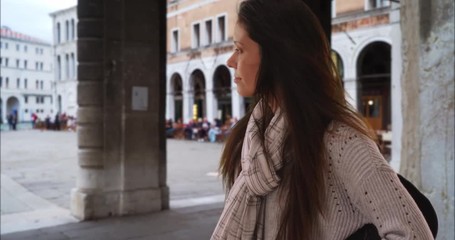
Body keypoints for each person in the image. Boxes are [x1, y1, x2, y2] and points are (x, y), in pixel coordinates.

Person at [211, 0, 434, 239]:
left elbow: (414, 233)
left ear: (276, 55)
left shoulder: (341, 142)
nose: (231, 61)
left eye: (240, 49)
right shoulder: (252, 139)